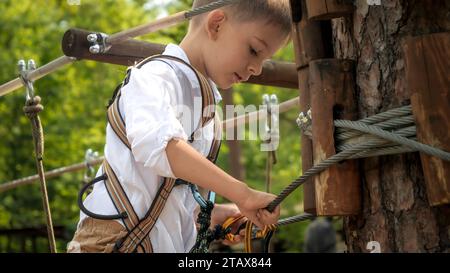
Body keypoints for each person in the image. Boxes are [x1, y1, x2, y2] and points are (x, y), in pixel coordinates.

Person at [67, 0, 292, 253]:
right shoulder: (155, 77)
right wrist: (243, 193)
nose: (257, 68)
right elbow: (159, 146)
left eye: (264, 59)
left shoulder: (205, 109)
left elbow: (171, 200)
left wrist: (214, 215)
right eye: (254, 50)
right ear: (216, 24)